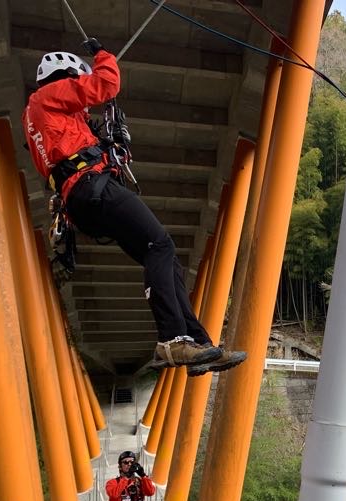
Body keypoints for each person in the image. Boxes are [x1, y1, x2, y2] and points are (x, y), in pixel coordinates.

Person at [23, 38, 245, 376]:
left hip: (83, 198)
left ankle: (198, 343)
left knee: (162, 257)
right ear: (64, 76)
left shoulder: (43, 118)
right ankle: (171, 340)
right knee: (160, 244)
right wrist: (102, 54)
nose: (79, 103)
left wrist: (108, 145)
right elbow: (105, 84)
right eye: (74, 81)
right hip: (90, 188)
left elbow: (77, 148)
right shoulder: (46, 96)